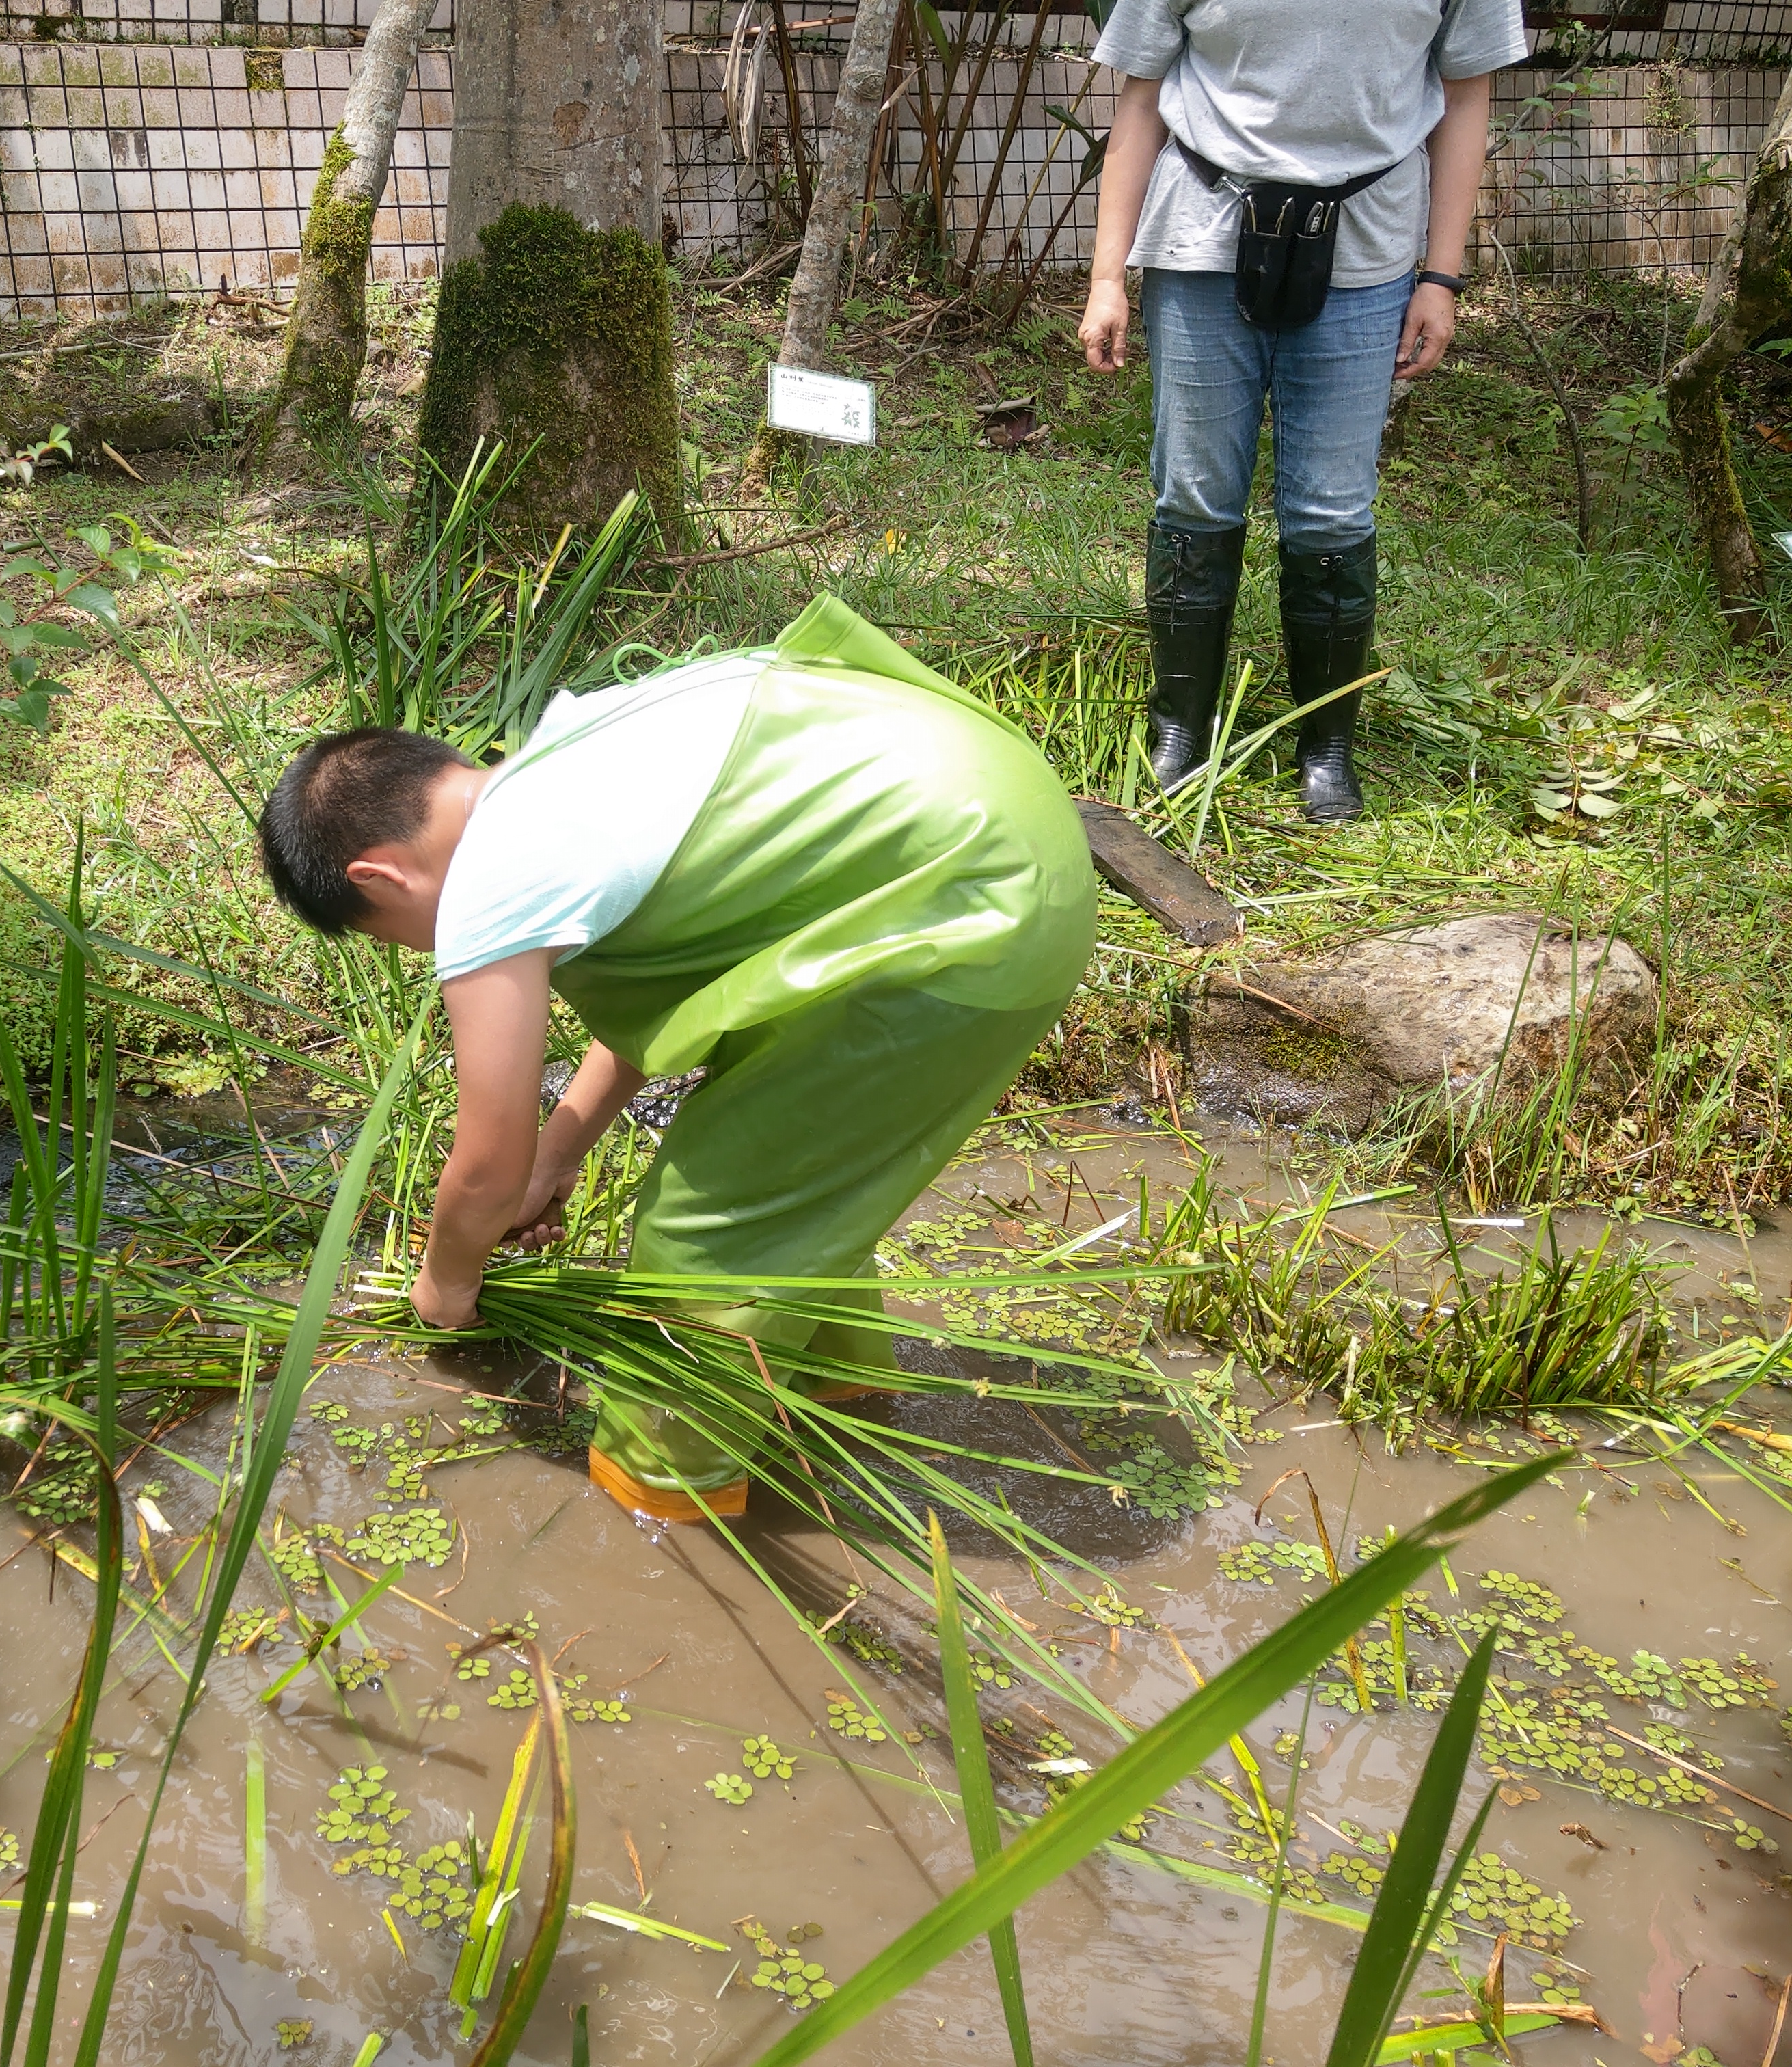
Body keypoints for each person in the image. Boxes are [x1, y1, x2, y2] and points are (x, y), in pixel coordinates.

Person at [256, 596, 1096, 1524]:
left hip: (958, 910)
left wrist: (446, 1284)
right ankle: (838, 1398)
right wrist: (563, 1149)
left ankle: (664, 1502)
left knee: (705, 1233)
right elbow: (667, 992)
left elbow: (484, 1164)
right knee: (792, 1189)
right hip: (1013, 839)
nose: (430, 950)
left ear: (380, 878)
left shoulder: (490, 882)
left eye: (400, 939)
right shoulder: (571, 758)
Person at [1080, 0, 1528, 822]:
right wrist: (1109, 275)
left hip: (1370, 254)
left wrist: (1443, 276)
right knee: (1194, 496)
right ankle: (1182, 725)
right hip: (1202, 246)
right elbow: (1140, 102)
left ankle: (1326, 746)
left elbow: (1467, 98)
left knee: (1331, 510)